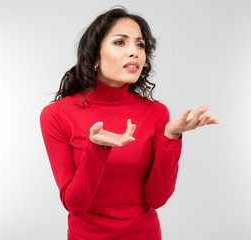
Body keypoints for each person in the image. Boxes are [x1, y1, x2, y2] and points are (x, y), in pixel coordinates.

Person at [40, 6, 219, 240]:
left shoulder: (156, 113)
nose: (134, 52)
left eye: (140, 44)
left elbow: (157, 198)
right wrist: (97, 149)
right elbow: (75, 205)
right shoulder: (56, 115)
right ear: (94, 56)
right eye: (120, 42)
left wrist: (171, 136)